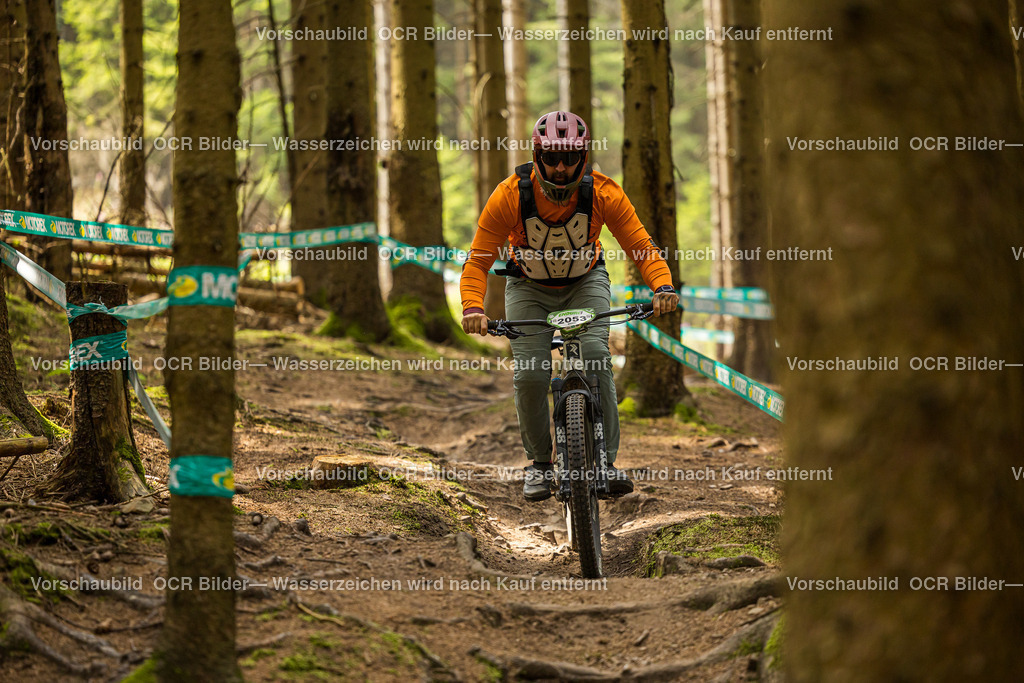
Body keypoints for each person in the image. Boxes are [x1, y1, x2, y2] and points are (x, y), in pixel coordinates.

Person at [460, 111, 679, 501]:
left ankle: (607, 464)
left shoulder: (604, 193)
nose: (560, 168)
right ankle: (540, 465)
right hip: (528, 288)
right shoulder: (510, 195)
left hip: (585, 283)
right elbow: (477, 260)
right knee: (530, 373)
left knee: (596, 356)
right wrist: (473, 308)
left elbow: (641, 247)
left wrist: (662, 284)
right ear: (537, 155)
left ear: (583, 156)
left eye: (570, 157)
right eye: (551, 158)